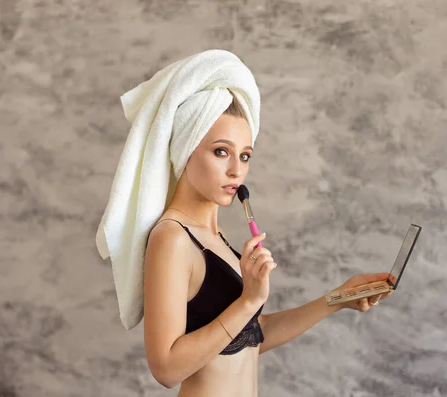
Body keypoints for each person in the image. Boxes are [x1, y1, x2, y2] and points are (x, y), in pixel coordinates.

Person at [95, 50, 392, 397]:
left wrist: (338, 299)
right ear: (186, 148)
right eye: (221, 151)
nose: (237, 169)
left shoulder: (215, 237)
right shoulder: (172, 238)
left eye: (245, 155)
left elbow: (251, 334)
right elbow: (166, 368)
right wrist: (248, 301)